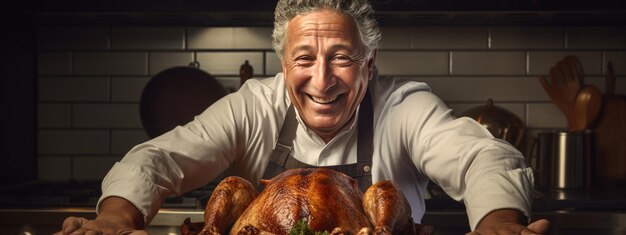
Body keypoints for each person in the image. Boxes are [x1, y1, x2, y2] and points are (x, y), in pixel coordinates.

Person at [56, 0, 550, 234]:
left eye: (341, 57)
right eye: (304, 60)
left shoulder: (403, 107)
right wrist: (115, 219)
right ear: (283, 66)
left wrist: (497, 225)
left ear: (369, 66)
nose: (322, 80)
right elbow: (159, 157)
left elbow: (483, 155)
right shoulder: (254, 105)